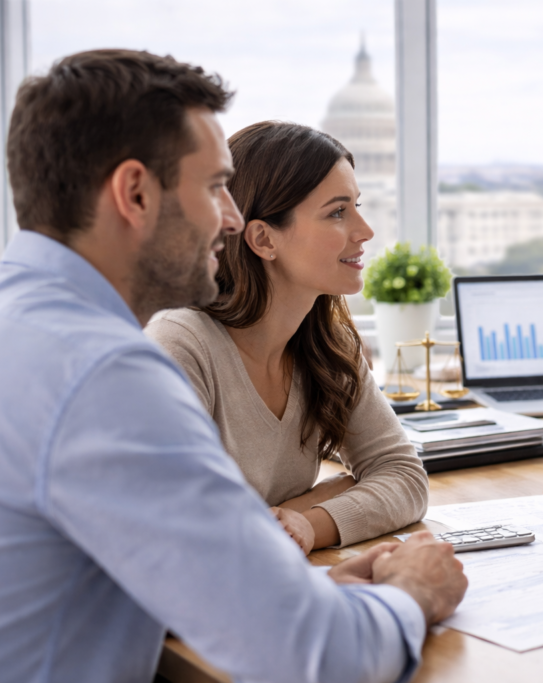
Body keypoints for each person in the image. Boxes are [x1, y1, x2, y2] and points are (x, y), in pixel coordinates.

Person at [0, 49, 466, 683]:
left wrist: (302, 582)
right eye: (216, 186)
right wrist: (412, 590)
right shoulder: (107, 374)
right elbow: (324, 660)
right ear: (135, 193)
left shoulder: (27, 325)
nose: (231, 217)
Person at [146, 121, 427, 555]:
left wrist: (309, 523)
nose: (365, 230)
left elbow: (404, 477)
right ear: (262, 238)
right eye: (338, 212)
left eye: (357, 205)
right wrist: (320, 495)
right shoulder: (180, 346)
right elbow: (183, 538)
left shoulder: (329, 343)